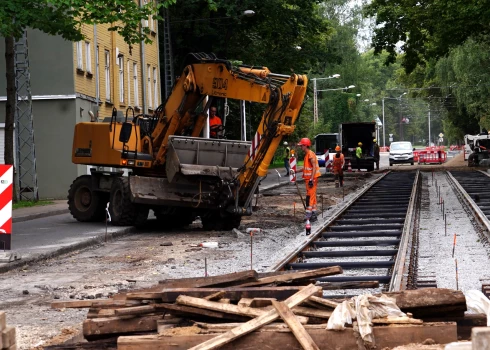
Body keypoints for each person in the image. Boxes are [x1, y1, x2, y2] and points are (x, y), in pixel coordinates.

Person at [297, 138, 321, 222]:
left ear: (306, 145)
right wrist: (297, 171)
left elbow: (314, 167)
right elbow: (307, 168)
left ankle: (308, 215)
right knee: (312, 196)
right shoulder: (307, 155)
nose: (301, 147)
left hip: (312, 179)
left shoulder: (310, 154)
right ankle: (313, 213)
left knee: (309, 197)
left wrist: (311, 179)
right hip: (309, 179)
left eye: (301, 145)